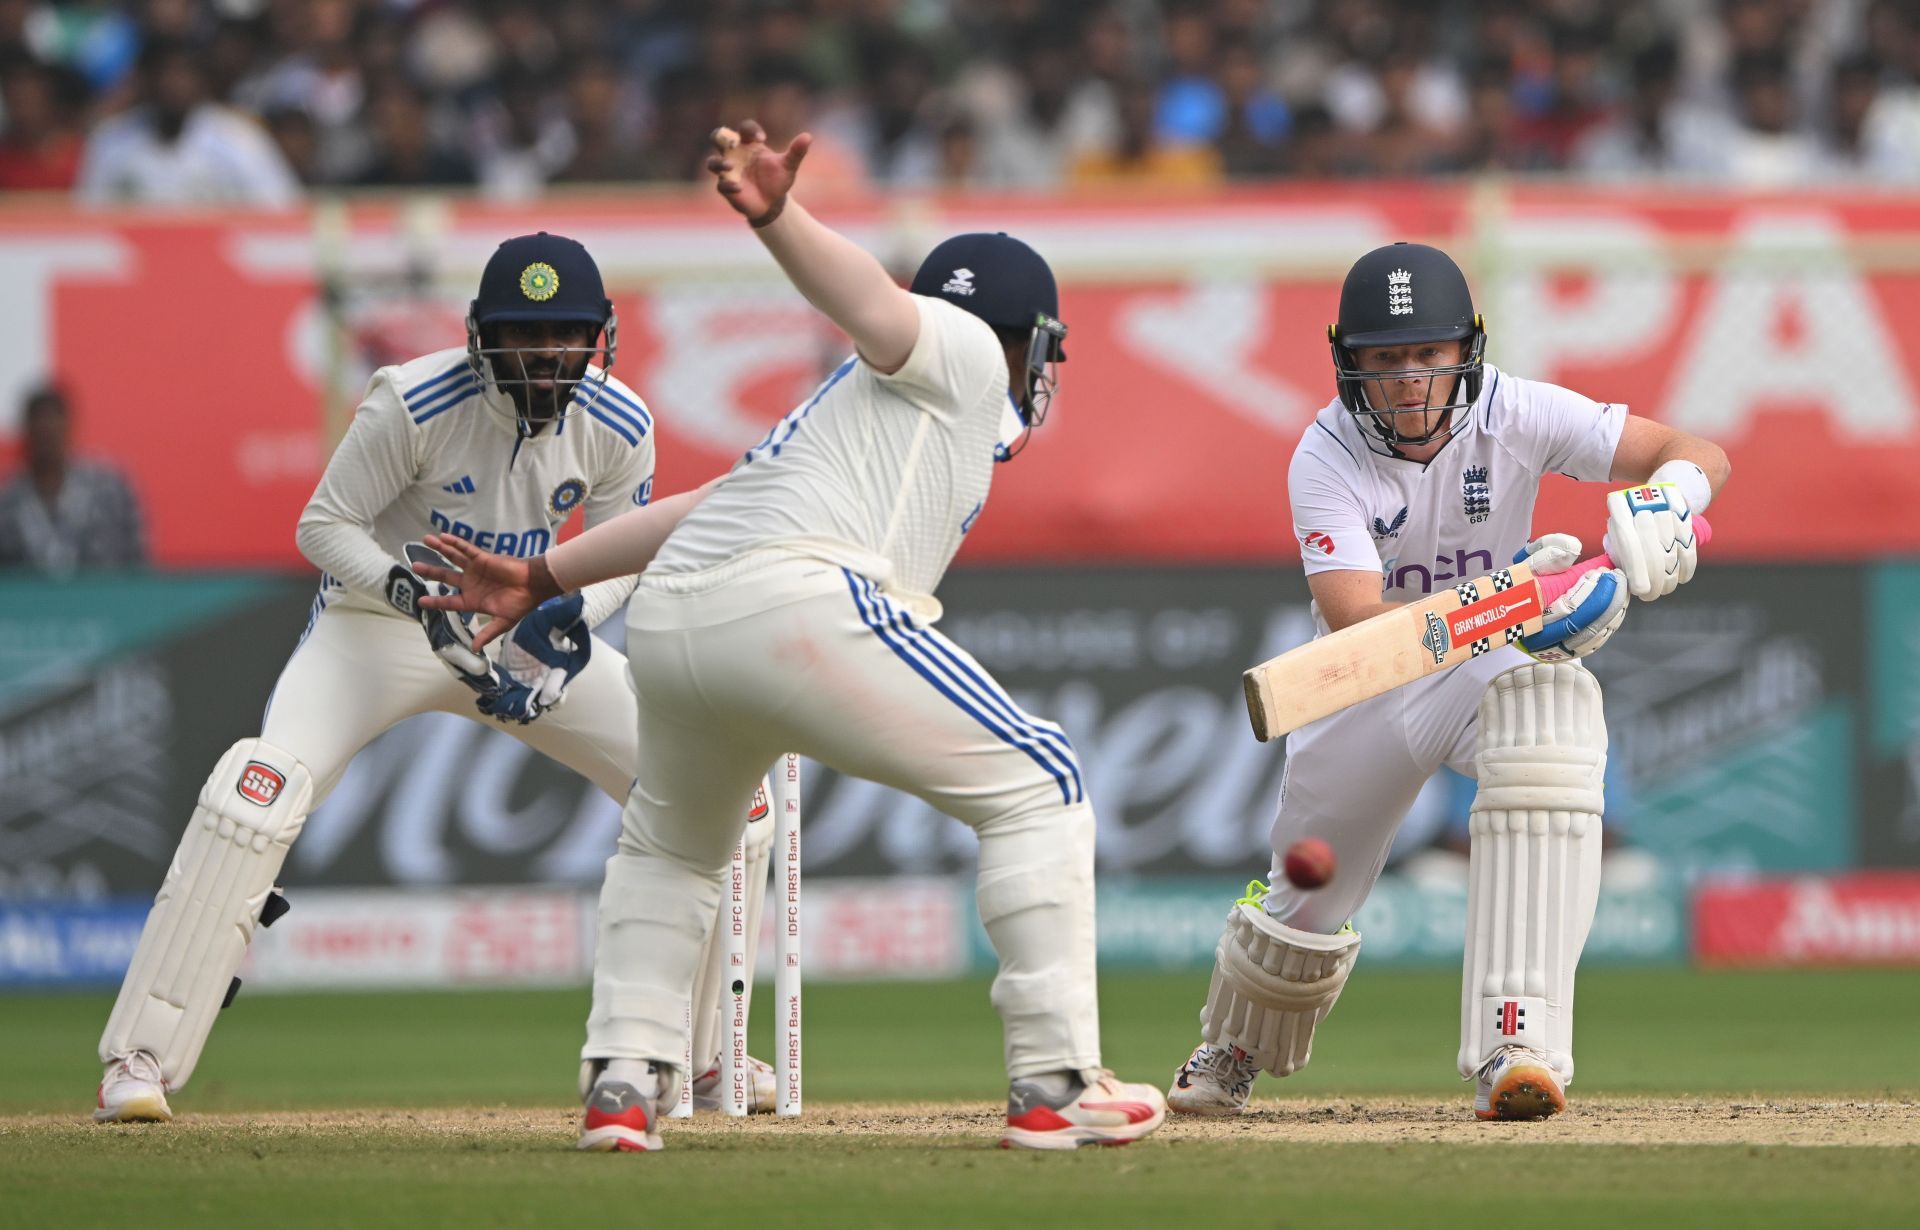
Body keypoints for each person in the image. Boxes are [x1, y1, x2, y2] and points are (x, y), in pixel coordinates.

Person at [415, 120, 1168, 1153]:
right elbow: (871, 301)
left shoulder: (850, 415)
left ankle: (623, 1082)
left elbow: (699, 508)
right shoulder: (951, 351)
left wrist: (546, 573)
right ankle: (1054, 1079)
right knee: (1042, 782)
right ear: (1020, 340)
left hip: (680, 617)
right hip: (794, 603)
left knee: (671, 847)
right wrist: (779, 218)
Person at [92, 232, 777, 1125]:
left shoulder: (620, 423)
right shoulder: (410, 402)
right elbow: (325, 527)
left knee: (727, 795)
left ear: (597, 336)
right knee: (254, 796)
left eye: (566, 335)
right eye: (525, 336)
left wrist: (558, 626)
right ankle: (137, 1059)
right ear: (480, 336)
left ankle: (705, 1060)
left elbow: (619, 557)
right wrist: (411, 593)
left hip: (520, 629)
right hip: (380, 627)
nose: (547, 356)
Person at [1165, 242, 1730, 1122]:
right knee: (1310, 890)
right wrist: (1515, 596)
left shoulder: (1517, 409)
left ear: (1467, 349)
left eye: (1429, 354)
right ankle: (1235, 1042)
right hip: (1366, 681)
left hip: (1481, 666)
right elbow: (1361, 616)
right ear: (1349, 363)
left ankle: (1517, 1040)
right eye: (1386, 360)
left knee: (1553, 714)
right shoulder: (1325, 454)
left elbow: (1692, 448)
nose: (1411, 381)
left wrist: (1672, 499)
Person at [0, 384, 147, 572]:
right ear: (27, 431)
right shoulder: (7, 499)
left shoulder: (110, 489)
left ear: (68, 426)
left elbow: (139, 561)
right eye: (40, 429)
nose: (47, 437)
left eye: (53, 427)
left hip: (103, 597)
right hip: (30, 600)